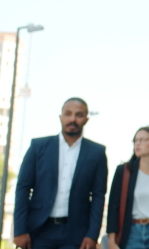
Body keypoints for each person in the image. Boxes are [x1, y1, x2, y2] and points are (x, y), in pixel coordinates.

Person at [14, 97, 107, 249]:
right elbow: (23, 189)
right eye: (68, 114)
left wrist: (92, 234)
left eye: (79, 115)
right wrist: (20, 230)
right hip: (39, 230)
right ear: (60, 117)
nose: (72, 119)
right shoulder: (38, 147)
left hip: (75, 233)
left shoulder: (97, 153)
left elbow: (98, 196)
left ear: (86, 119)